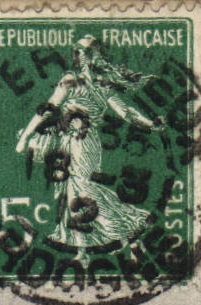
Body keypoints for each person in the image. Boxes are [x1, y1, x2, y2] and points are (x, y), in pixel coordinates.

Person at [14, 35, 163, 258]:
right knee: (72, 191)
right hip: (71, 142)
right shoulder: (76, 81)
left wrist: (150, 124)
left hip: (82, 142)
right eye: (79, 51)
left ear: (96, 55)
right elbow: (49, 107)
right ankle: (83, 250)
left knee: (83, 190)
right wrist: (26, 136)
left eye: (86, 51)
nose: (81, 55)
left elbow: (126, 112)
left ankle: (131, 229)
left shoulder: (99, 86)